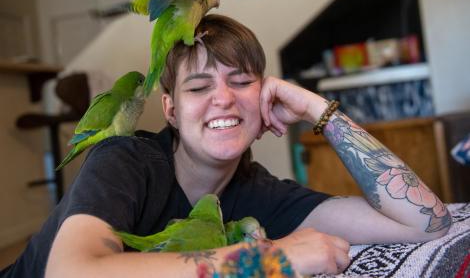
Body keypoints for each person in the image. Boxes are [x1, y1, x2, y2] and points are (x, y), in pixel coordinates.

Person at [2, 15, 450, 278]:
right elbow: (73, 272)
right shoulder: (124, 161)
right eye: (198, 87)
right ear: (171, 110)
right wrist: (266, 259)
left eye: (241, 82)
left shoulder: (260, 194)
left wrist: (319, 110)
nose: (223, 98)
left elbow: (427, 224)